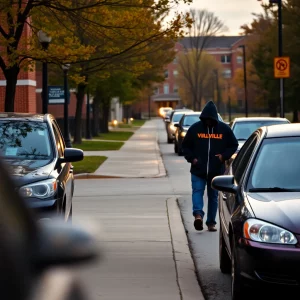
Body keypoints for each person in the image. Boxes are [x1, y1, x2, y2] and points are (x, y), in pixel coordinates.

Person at [182, 101, 238, 232]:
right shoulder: (195, 129)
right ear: (203, 118)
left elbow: (233, 145)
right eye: (206, 119)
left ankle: (211, 222)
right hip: (198, 169)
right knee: (197, 192)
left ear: (214, 118)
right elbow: (185, 146)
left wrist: (223, 156)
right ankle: (198, 216)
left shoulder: (224, 130)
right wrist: (192, 159)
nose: (208, 122)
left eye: (210, 119)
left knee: (213, 197)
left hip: (216, 171)